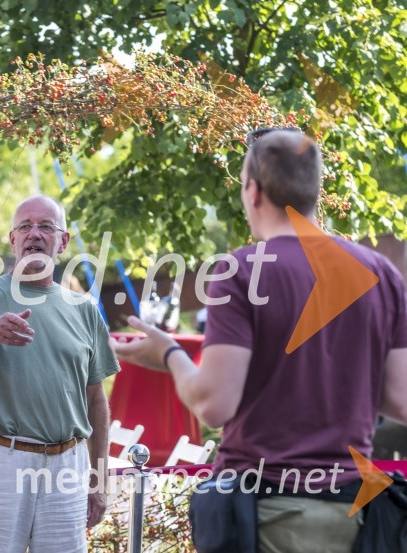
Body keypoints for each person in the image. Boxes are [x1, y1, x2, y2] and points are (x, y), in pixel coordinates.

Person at [110, 129, 407, 553]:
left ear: (251, 190)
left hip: (265, 514)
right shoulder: (381, 274)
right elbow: (400, 400)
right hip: (354, 515)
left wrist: (170, 353)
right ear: (314, 192)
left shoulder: (242, 271)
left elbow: (214, 404)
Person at [0, 195, 120, 553]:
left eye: (45, 226)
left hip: (68, 464)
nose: (34, 234)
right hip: (0, 459)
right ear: (12, 239)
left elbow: (96, 401)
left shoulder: (84, 309)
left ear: (63, 241)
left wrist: (98, 481)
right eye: (25, 226)